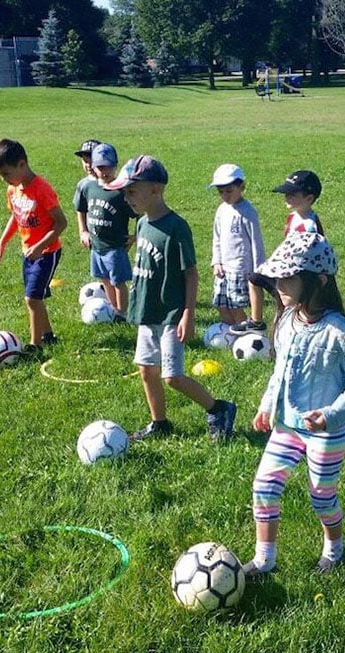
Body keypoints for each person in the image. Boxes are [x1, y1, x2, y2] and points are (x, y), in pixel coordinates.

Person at [243, 232, 345, 576]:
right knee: (264, 487)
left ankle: (335, 549)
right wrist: (267, 404)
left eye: (287, 278)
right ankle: (264, 560)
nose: (278, 286)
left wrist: (331, 415)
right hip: (287, 426)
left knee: (321, 496)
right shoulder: (287, 321)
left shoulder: (340, 332)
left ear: (318, 281)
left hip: (324, 433)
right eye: (277, 279)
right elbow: (280, 371)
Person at [107, 155, 237, 442]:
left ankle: (219, 409)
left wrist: (188, 314)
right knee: (146, 370)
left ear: (156, 189)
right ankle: (160, 423)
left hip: (170, 314)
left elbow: (190, 273)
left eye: (132, 191)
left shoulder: (177, 227)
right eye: (125, 192)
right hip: (147, 312)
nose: (127, 198)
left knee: (172, 377)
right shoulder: (141, 224)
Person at [0, 138, 67, 356]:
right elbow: (16, 217)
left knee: (32, 299)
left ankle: (35, 346)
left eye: (6, 173)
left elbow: (61, 223)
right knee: (36, 297)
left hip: (47, 252)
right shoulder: (13, 190)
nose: (4, 179)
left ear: (22, 164)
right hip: (28, 252)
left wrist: (41, 246)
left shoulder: (42, 189)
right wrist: (2, 242)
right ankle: (48, 336)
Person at [232, 169, 324, 334]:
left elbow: (310, 256)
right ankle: (256, 321)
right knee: (254, 278)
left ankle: (296, 329)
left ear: (309, 198)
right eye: (286, 193)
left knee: (293, 305)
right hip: (285, 270)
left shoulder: (310, 226)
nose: (287, 197)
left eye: (292, 194)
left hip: (300, 276)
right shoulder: (293, 217)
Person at [78, 142, 136, 320]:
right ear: (94, 167)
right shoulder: (88, 188)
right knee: (104, 279)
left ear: (116, 165)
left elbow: (140, 213)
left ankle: (122, 313)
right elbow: (81, 208)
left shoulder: (121, 191)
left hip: (115, 247)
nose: (105, 171)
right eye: (100, 166)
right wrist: (84, 231)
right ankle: (112, 307)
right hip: (96, 246)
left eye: (109, 166)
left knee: (118, 282)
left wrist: (136, 236)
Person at [208, 163, 266, 326]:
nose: (225, 195)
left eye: (229, 191)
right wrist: (216, 261)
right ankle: (229, 332)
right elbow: (217, 237)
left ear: (241, 187)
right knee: (220, 304)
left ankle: (245, 332)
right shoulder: (221, 210)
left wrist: (258, 269)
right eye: (221, 192)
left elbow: (256, 241)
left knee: (235, 306)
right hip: (223, 268)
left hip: (240, 268)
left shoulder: (248, 212)